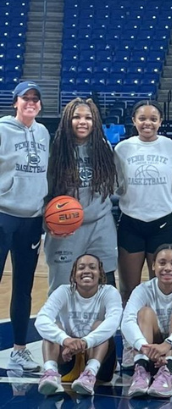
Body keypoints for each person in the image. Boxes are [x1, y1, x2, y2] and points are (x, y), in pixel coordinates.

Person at [114, 100, 172, 366]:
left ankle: (162, 346)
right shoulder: (122, 149)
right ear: (133, 120)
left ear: (160, 121)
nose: (148, 123)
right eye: (142, 118)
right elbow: (118, 185)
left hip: (162, 223)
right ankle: (132, 348)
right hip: (131, 221)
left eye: (153, 118)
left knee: (164, 289)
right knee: (130, 291)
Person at [0, 81, 49, 371]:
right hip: (3, 213)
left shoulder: (42, 132)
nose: (30, 102)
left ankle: (19, 349)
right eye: (25, 98)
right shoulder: (3, 128)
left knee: (23, 286)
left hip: (32, 218)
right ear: (15, 102)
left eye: (35, 99)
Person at [45, 98, 118, 292]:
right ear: (67, 120)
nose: (82, 122)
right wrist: (49, 222)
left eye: (88, 117)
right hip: (65, 226)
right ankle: (60, 323)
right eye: (76, 117)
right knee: (61, 287)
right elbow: (45, 190)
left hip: (100, 224)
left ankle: (105, 323)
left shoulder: (104, 149)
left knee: (105, 283)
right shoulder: (55, 150)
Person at [121, 244, 172, 398]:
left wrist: (167, 345)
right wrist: (143, 347)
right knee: (144, 313)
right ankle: (141, 371)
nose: (167, 268)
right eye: (162, 263)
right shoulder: (143, 289)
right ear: (153, 265)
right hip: (152, 356)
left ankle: (168, 371)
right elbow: (126, 321)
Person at [35, 254, 122, 396]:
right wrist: (65, 340)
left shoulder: (109, 292)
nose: (86, 271)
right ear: (74, 275)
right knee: (53, 327)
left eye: (92, 267)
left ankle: (90, 373)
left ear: (100, 273)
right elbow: (41, 319)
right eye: (81, 268)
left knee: (99, 325)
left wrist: (85, 342)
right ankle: (51, 372)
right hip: (67, 355)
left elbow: (113, 323)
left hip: (97, 356)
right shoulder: (63, 291)